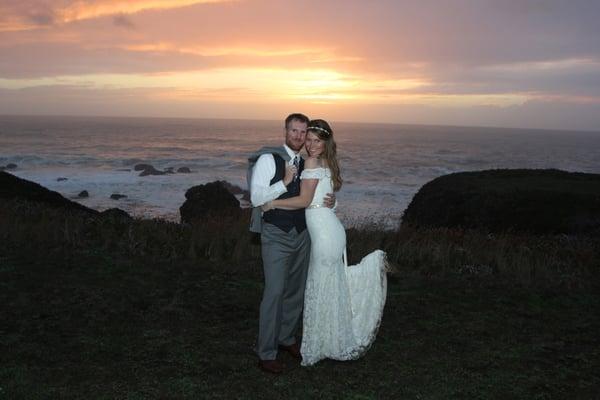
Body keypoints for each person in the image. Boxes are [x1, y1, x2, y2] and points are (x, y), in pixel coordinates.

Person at [262, 119, 388, 366]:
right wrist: (333, 204)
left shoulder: (311, 162)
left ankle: (322, 343)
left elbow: (305, 200)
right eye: (307, 139)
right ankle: (330, 339)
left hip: (325, 233)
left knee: (320, 286)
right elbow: (325, 198)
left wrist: (272, 203)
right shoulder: (328, 162)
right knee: (328, 285)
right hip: (331, 229)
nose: (310, 145)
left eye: (316, 140)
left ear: (326, 141)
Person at [248, 113, 335, 374]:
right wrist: (284, 182)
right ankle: (265, 352)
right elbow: (256, 198)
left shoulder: (310, 161)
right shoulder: (269, 159)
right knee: (274, 292)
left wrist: (331, 202)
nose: (299, 137)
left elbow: (316, 194)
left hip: (303, 234)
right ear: (285, 131)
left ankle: (286, 338)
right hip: (276, 234)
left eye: (303, 132)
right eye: (294, 131)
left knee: (296, 291)